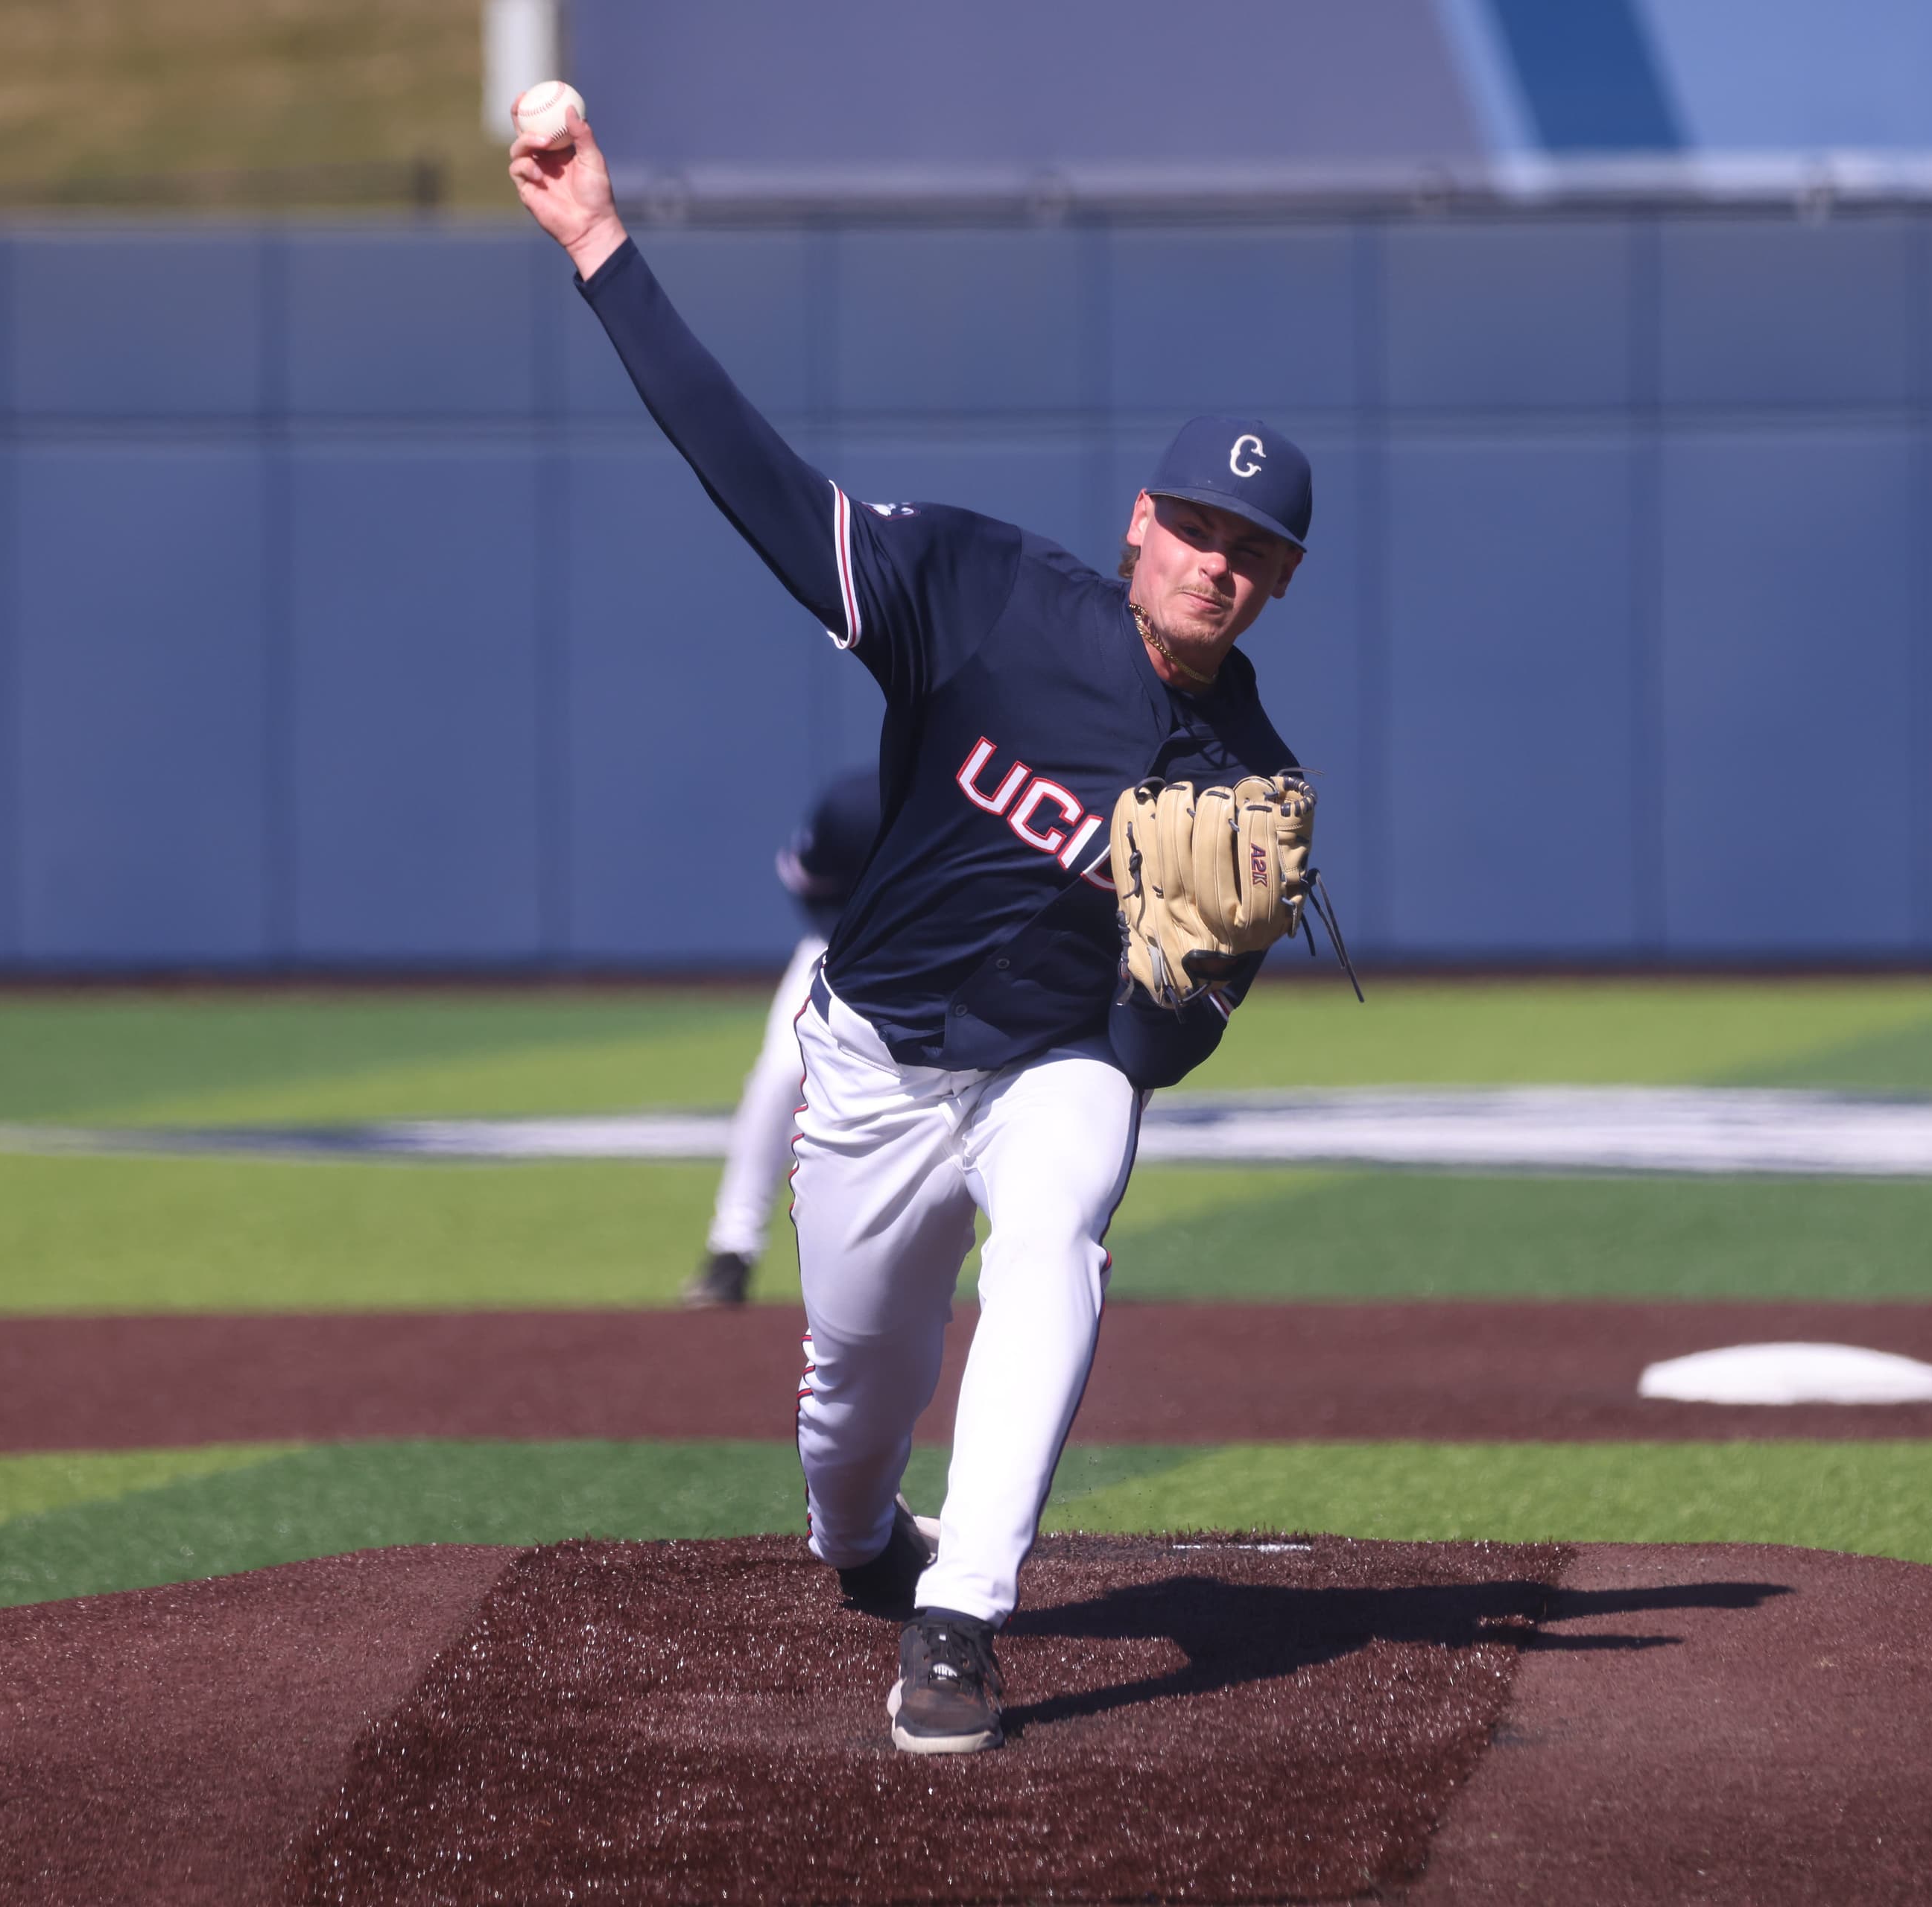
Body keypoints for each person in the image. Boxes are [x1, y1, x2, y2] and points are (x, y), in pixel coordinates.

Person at [513, 113, 1315, 1756]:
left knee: (1062, 1229)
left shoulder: (1256, 789)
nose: (1219, 567)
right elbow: (756, 479)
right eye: (1200, 529)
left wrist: (1178, 988)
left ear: (1279, 587)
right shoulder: (975, 587)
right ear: (1141, 523)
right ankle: (872, 1541)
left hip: (1053, 1067)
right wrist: (602, 247)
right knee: (848, 1412)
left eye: (1257, 553)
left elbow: (1164, 1046)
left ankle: (962, 1617)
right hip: (874, 1062)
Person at [685, 765, 883, 1309]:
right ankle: (732, 1248)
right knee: (779, 1077)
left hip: (960, 958)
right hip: (841, 948)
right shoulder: (854, 804)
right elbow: (809, 883)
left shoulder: (982, 793)